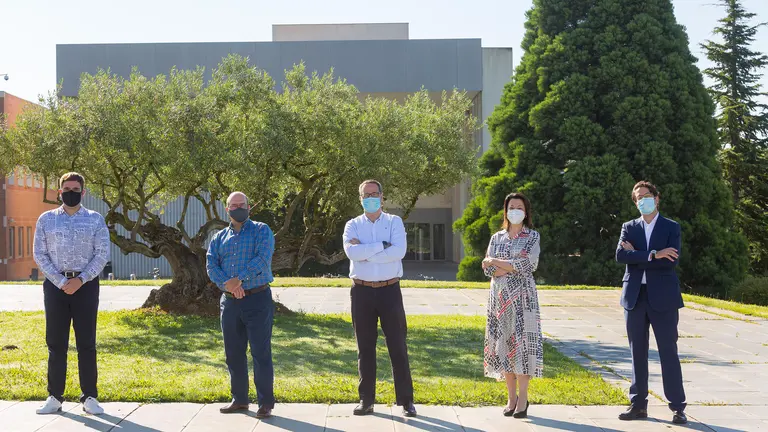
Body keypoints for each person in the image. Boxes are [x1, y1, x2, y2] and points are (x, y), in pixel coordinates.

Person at [33, 172, 110, 415]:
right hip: (55, 287)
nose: (71, 192)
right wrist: (59, 280)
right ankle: (55, 396)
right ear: (59, 191)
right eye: (67, 188)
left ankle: (89, 397)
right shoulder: (45, 220)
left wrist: (81, 280)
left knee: (86, 343)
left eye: (76, 189)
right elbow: (39, 253)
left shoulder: (96, 220)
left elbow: (102, 253)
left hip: (86, 287)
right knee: (56, 343)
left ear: (83, 192)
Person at [342, 180, 417, 418]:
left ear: (382, 197)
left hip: (389, 291)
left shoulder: (394, 222)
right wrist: (381, 247)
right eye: (366, 194)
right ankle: (366, 400)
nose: (370, 198)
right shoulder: (352, 225)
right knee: (365, 347)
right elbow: (351, 253)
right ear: (360, 198)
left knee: (397, 345)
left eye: (375, 194)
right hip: (361, 292)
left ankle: (406, 401)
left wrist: (366, 252)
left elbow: (399, 252)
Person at [616, 181, 687, 425]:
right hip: (635, 297)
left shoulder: (671, 227)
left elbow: (671, 260)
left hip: (664, 298)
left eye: (646, 196)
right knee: (637, 353)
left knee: (668, 352)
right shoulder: (629, 227)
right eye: (637, 198)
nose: (641, 201)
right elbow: (620, 256)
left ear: (656, 198)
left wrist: (637, 256)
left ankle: (678, 407)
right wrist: (654, 254)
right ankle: (638, 405)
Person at [206, 192, 276, 418]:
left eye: (242, 205)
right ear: (227, 209)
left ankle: (265, 403)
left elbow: (263, 258)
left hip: (258, 298)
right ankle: (240, 399)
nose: (238, 208)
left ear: (249, 207)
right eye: (233, 205)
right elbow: (211, 265)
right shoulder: (219, 237)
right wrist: (229, 285)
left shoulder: (261, 230)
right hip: (230, 302)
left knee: (260, 352)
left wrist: (240, 279)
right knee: (233, 353)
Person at [481, 192, 542, 419]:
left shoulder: (532, 237)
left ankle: (523, 399)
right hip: (500, 300)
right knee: (504, 346)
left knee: (523, 349)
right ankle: (511, 398)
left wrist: (497, 262)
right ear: (505, 211)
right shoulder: (497, 237)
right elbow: (487, 268)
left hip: (524, 300)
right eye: (511, 206)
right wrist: (504, 265)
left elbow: (528, 265)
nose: (515, 210)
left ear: (526, 212)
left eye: (519, 207)